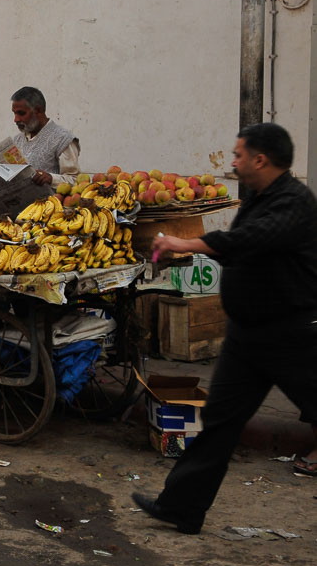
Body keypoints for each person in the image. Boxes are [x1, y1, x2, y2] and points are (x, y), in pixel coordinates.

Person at [133, 123, 317, 534]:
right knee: (219, 422)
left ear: (260, 159)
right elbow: (242, 250)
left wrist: (185, 244)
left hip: (290, 334)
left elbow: (249, 240)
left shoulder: (294, 203)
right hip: (248, 336)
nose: (231, 162)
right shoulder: (259, 197)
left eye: (237, 155)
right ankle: (181, 507)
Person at [8, 86, 80, 186]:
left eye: (21, 113)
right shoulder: (17, 140)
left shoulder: (63, 139)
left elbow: (75, 180)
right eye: (14, 114)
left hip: (50, 200)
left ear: (38, 110)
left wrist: (51, 179)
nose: (16, 119)